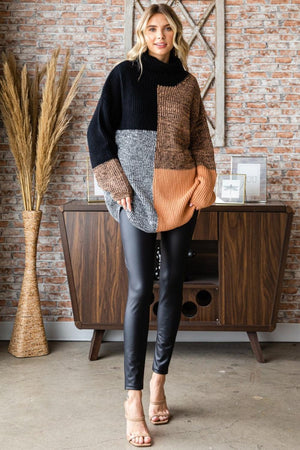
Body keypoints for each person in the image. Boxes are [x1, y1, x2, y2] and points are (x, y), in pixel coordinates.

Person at [87, 3, 216, 447]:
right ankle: (133, 399)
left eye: (167, 28)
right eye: (152, 28)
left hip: (180, 192)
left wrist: (206, 179)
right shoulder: (124, 74)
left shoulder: (188, 82)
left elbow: (200, 135)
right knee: (142, 288)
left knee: (175, 282)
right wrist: (115, 183)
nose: (159, 35)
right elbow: (98, 133)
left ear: (177, 33)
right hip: (135, 195)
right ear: (143, 33)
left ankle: (160, 382)